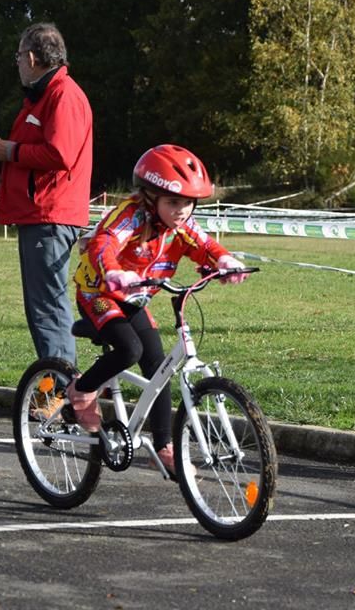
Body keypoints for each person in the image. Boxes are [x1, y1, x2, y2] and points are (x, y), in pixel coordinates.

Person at [34, 144, 247, 476]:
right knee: (129, 349)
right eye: (174, 202)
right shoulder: (131, 215)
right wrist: (115, 271)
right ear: (150, 197)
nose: (182, 211)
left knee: (159, 366)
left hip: (135, 301)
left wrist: (224, 260)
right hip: (99, 293)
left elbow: (204, 245)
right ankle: (81, 389)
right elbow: (105, 243)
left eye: (189, 203)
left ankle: (163, 447)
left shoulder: (180, 226)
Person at [0, 22, 93, 363]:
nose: (18, 62)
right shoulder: (49, 94)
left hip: (50, 215)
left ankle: (61, 388)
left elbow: (60, 154)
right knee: (44, 306)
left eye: (19, 56)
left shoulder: (62, 95)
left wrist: (13, 151)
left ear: (33, 57)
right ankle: (58, 385)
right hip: (44, 214)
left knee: (48, 307)